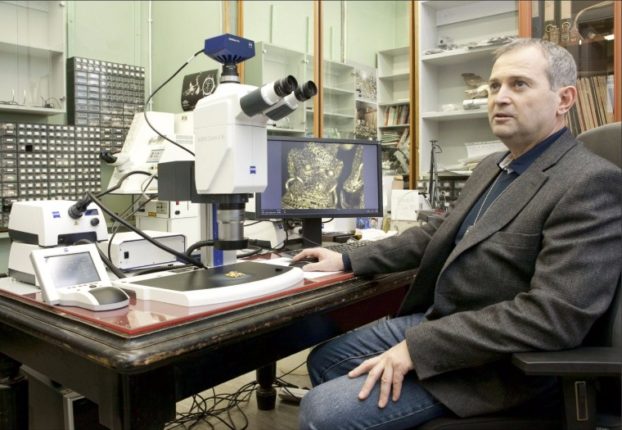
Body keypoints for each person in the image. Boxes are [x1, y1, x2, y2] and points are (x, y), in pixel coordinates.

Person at [295, 38, 622, 430]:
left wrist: (417, 349)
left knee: (322, 412)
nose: (499, 97)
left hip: (503, 364)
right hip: (446, 324)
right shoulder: (492, 166)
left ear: (564, 99)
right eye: (494, 85)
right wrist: (347, 258)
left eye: (519, 84)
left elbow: (552, 317)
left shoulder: (589, 182)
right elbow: (436, 233)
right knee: (325, 359)